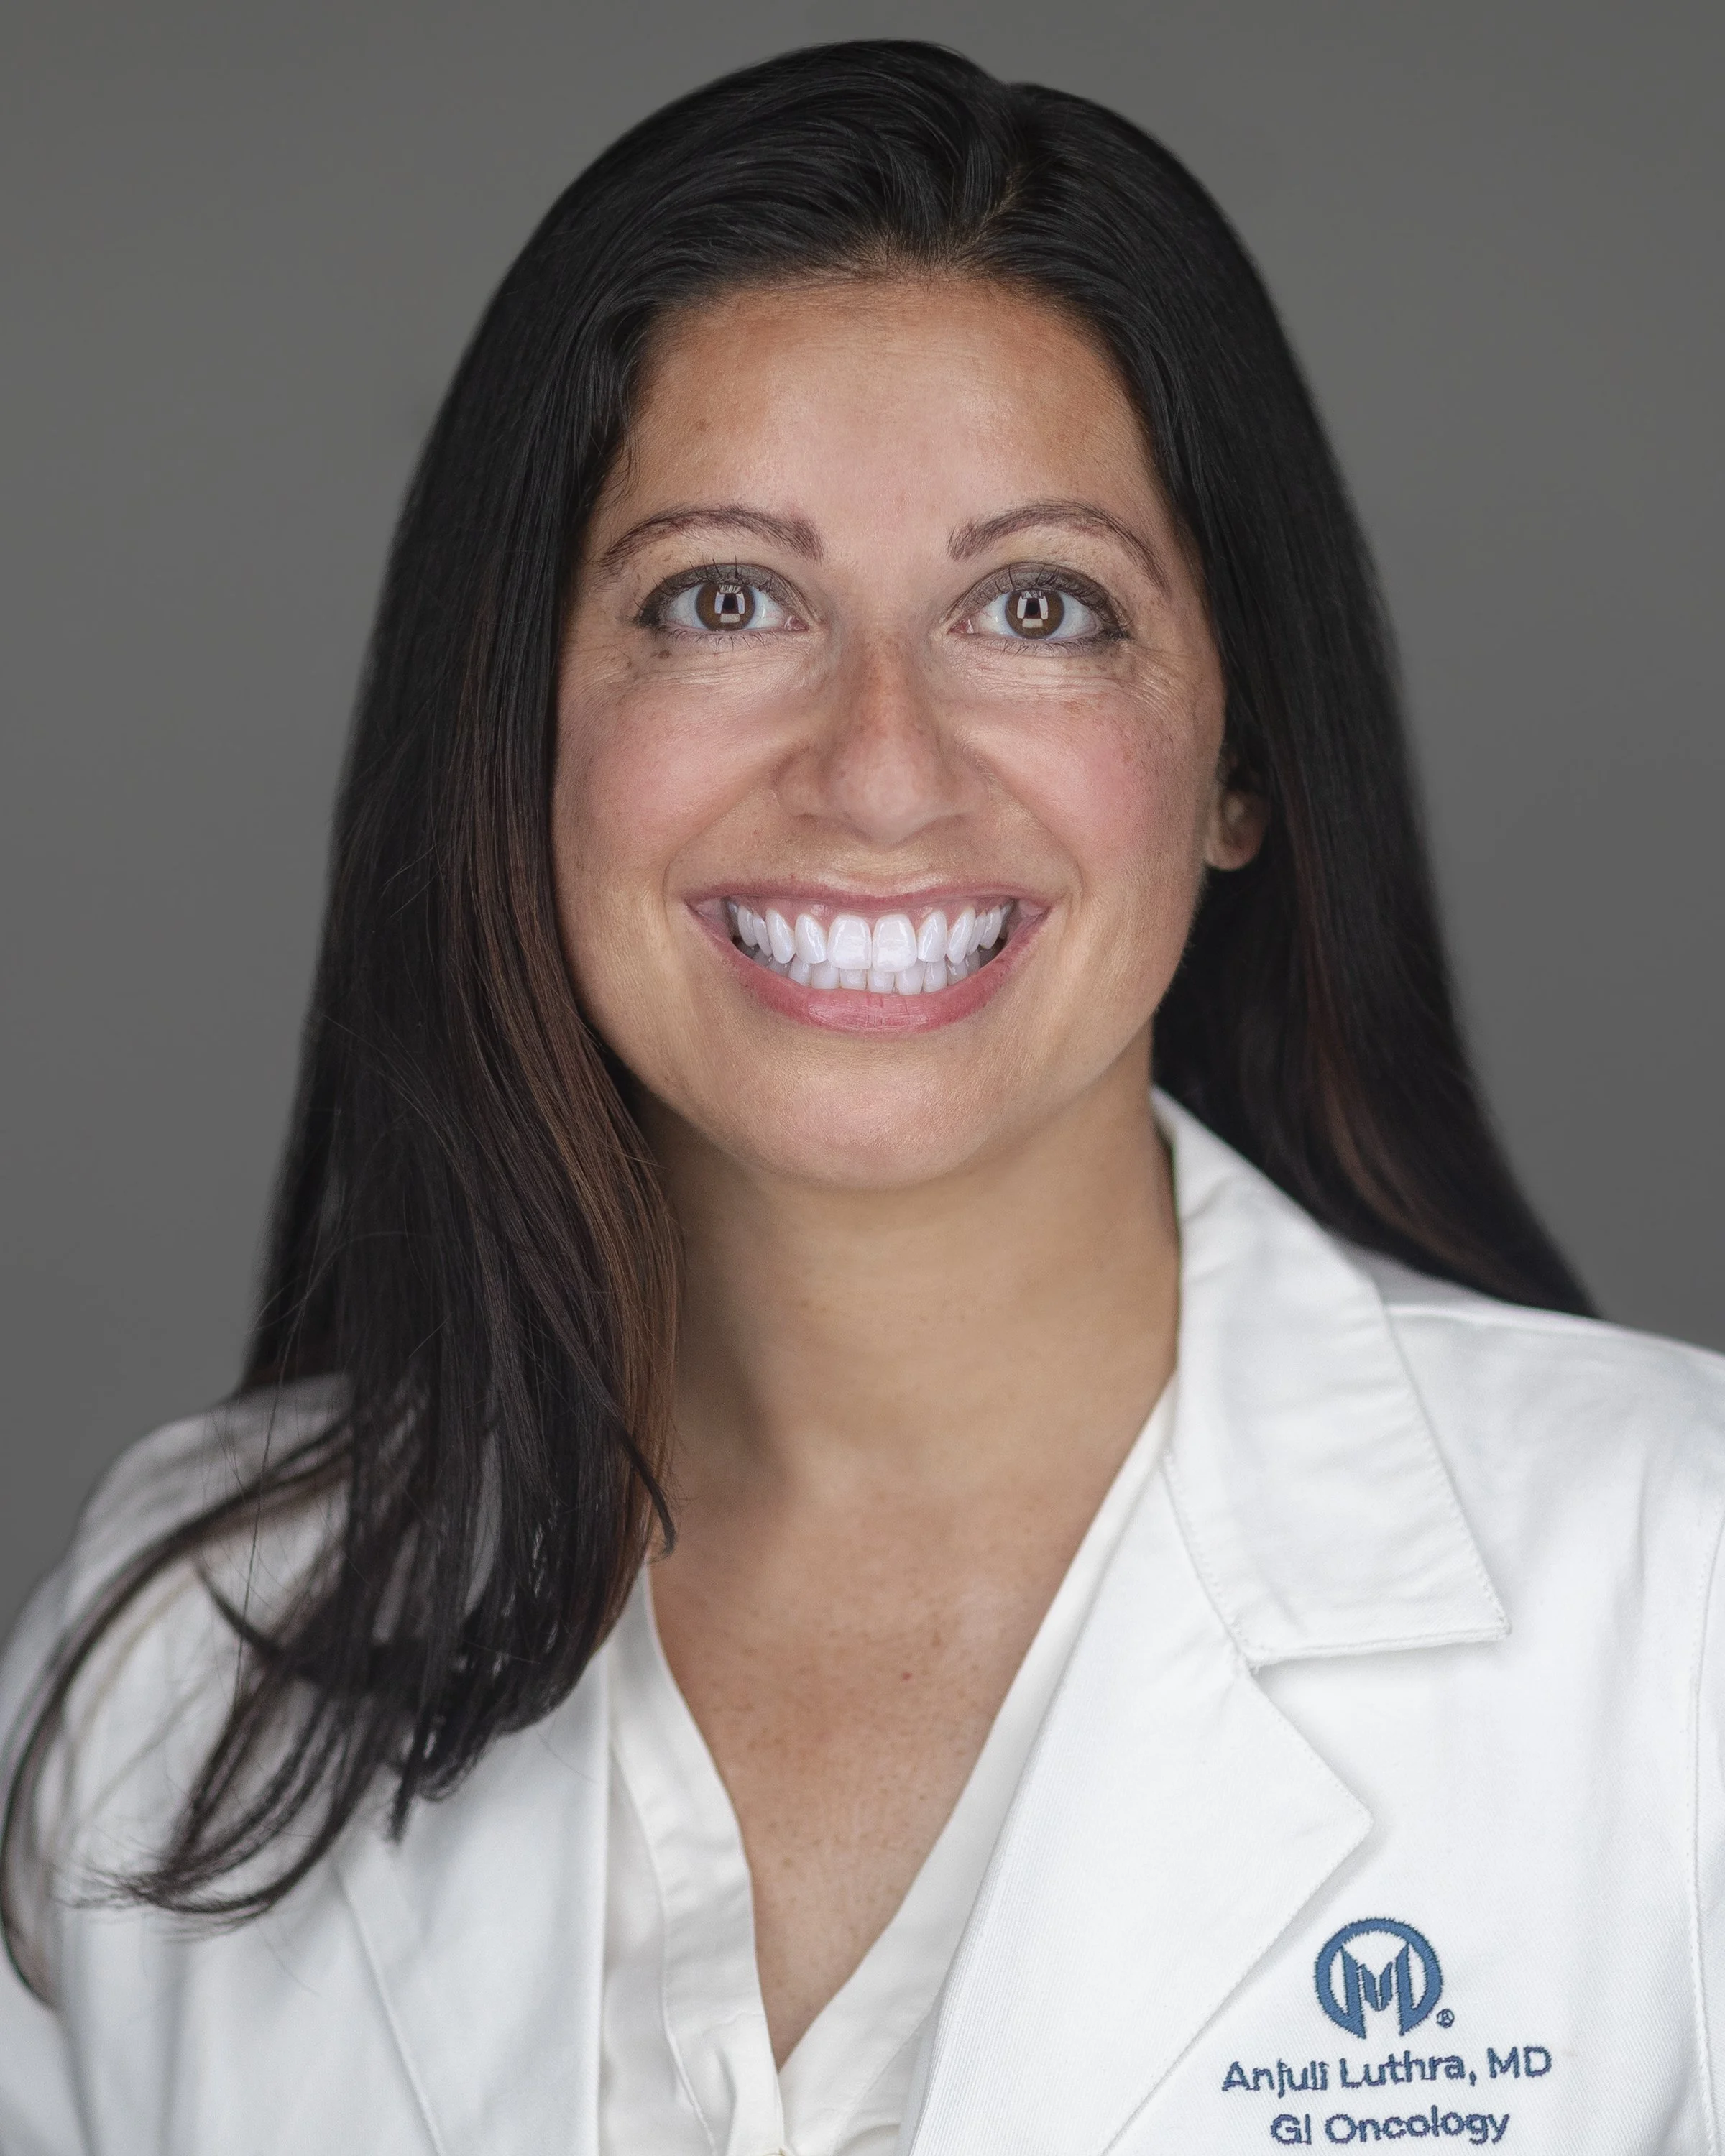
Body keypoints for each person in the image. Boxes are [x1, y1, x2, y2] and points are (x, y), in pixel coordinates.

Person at [2, 37, 1721, 2156]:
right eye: (726, 601)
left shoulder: (1679, 1604)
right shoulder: (190, 1651)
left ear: (1244, 763)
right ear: (516, 733)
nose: (881, 771)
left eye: (1039, 608)